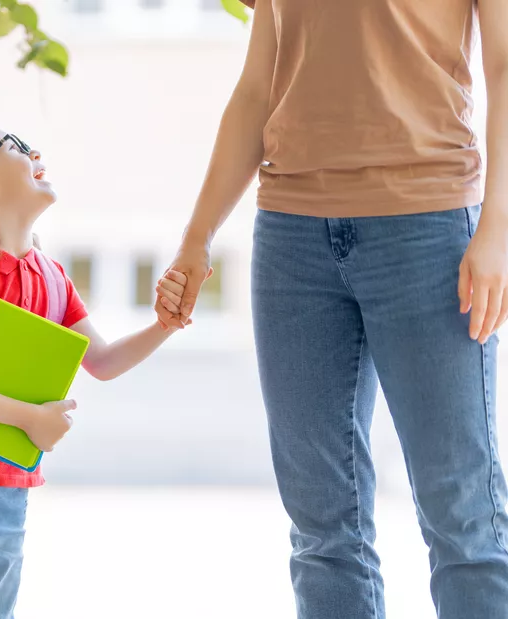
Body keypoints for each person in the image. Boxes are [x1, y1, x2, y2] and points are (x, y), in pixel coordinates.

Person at [154, 1, 508, 617]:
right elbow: (257, 86)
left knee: (464, 516)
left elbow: (505, 63)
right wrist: (197, 237)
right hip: (292, 238)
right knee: (321, 527)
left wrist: (498, 229)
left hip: (427, 224)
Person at [0, 122, 185, 619]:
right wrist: (29, 417)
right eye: (17, 148)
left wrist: (164, 325)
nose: (36, 152)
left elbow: (103, 362)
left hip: (8, 484)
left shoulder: (53, 277)